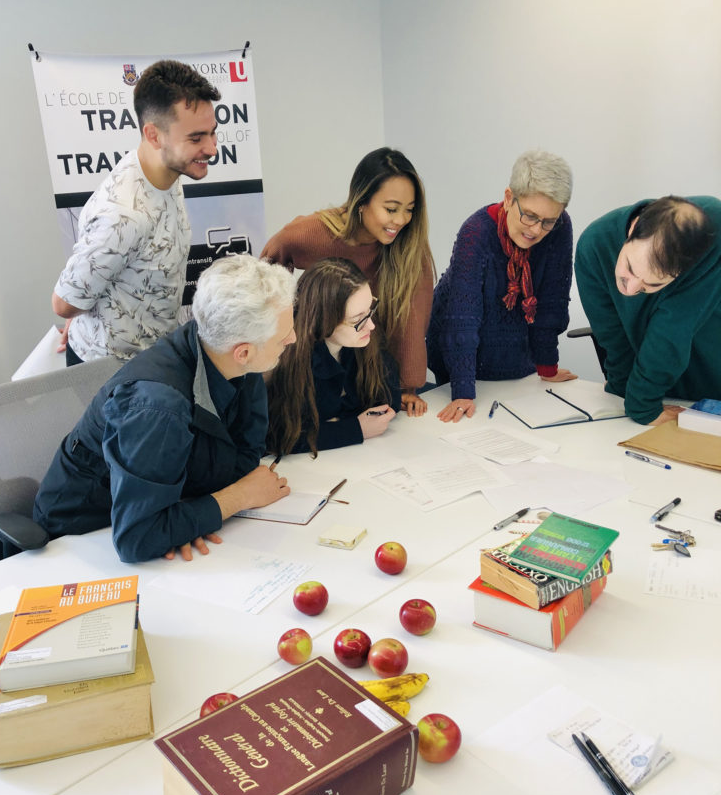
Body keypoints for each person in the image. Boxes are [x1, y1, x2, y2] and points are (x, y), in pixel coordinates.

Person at [34, 255, 297, 563]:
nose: (292, 339)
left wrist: (187, 518)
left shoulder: (233, 361)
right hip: (78, 538)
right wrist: (236, 499)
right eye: (283, 338)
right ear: (243, 351)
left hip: (147, 512)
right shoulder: (157, 407)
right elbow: (138, 538)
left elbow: (244, 456)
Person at [52, 59, 221, 365]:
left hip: (152, 355)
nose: (212, 149)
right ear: (154, 135)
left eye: (212, 133)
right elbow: (64, 305)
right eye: (196, 138)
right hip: (110, 373)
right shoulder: (124, 214)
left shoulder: (165, 171)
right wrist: (80, 309)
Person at [262, 147, 434, 417]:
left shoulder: (410, 246)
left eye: (409, 210)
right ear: (361, 201)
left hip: (376, 373)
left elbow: (412, 318)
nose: (400, 220)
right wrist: (283, 344)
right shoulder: (311, 233)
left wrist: (408, 386)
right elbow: (264, 283)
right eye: (391, 209)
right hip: (319, 376)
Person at [426, 149, 577, 423]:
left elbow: (553, 299)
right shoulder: (476, 232)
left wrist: (547, 366)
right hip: (458, 351)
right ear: (509, 198)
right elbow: (462, 316)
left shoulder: (559, 229)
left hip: (514, 353)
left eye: (548, 221)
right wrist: (462, 390)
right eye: (529, 216)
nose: (536, 230)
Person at [575, 196, 721, 425]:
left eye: (651, 285)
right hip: (657, 384)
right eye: (630, 269)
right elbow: (612, 334)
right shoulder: (594, 246)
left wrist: (642, 405)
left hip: (706, 374)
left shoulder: (709, 234)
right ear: (633, 228)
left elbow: (673, 328)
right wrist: (622, 389)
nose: (630, 289)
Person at [266, 258, 401, 456]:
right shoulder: (289, 359)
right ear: (322, 320)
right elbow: (280, 437)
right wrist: (355, 428)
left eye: (370, 309)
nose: (371, 325)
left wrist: (329, 427)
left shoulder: (360, 338)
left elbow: (389, 400)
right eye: (358, 319)